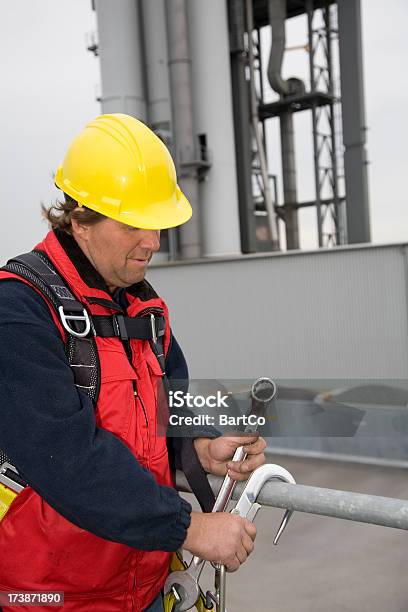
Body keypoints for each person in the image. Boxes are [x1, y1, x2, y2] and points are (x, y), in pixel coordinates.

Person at [0, 114, 266, 612]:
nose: (152, 241)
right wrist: (188, 527)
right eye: (132, 225)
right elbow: (66, 456)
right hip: (46, 598)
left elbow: (169, 409)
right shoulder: (19, 311)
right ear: (79, 219)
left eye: (156, 223)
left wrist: (204, 447)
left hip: (141, 589)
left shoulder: (144, 309)